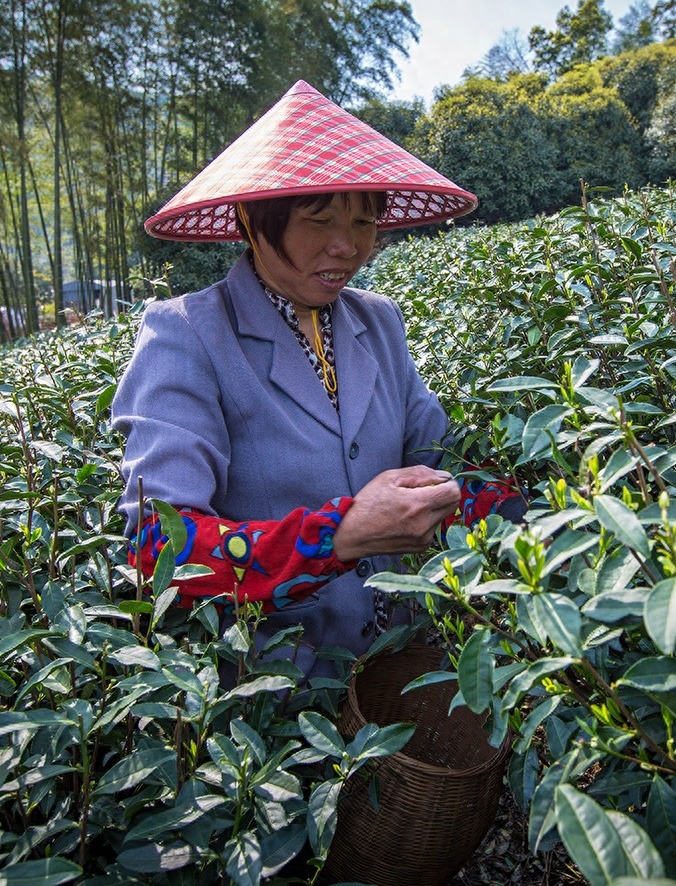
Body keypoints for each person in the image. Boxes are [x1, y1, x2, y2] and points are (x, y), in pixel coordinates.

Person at [112, 80, 522, 680]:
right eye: (318, 218)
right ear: (254, 221)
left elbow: (440, 460)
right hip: (278, 692)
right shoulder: (189, 334)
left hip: (405, 661)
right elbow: (161, 547)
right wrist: (341, 534)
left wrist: (547, 517)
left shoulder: (376, 322)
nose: (346, 246)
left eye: (363, 222)